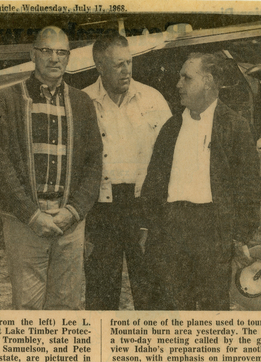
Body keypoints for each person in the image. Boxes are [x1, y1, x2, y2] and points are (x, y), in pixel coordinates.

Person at [0, 26, 102, 310]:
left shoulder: (82, 103)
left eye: (61, 52)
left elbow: (94, 163)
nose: (54, 58)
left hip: (69, 223)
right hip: (25, 223)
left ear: (68, 58)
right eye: (47, 51)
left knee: (68, 306)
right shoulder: (8, 100)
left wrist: (72, 211)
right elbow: (0, 166)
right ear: (33, 55)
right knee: (28, 307)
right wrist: (32, 214)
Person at [141, 53, 261, 310]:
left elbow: (249, 189)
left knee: (212, 309)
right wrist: (149, 227)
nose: (178, 84)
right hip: (171, 229)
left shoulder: (235, 127)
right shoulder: (171, 127)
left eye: (186, 78)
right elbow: (154, 183)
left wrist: (240, 238)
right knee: (172, 309)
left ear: (207, 82)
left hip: (212, 230)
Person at [83, 32, 172, 310]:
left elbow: (170, 156)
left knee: (152, 291)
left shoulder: (153, 99)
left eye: (129, 63)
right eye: (118, 64)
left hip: (143, 205)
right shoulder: (83, 102)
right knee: (100, 291)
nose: (127, 70)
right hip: (101, 208)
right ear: (99, 66)